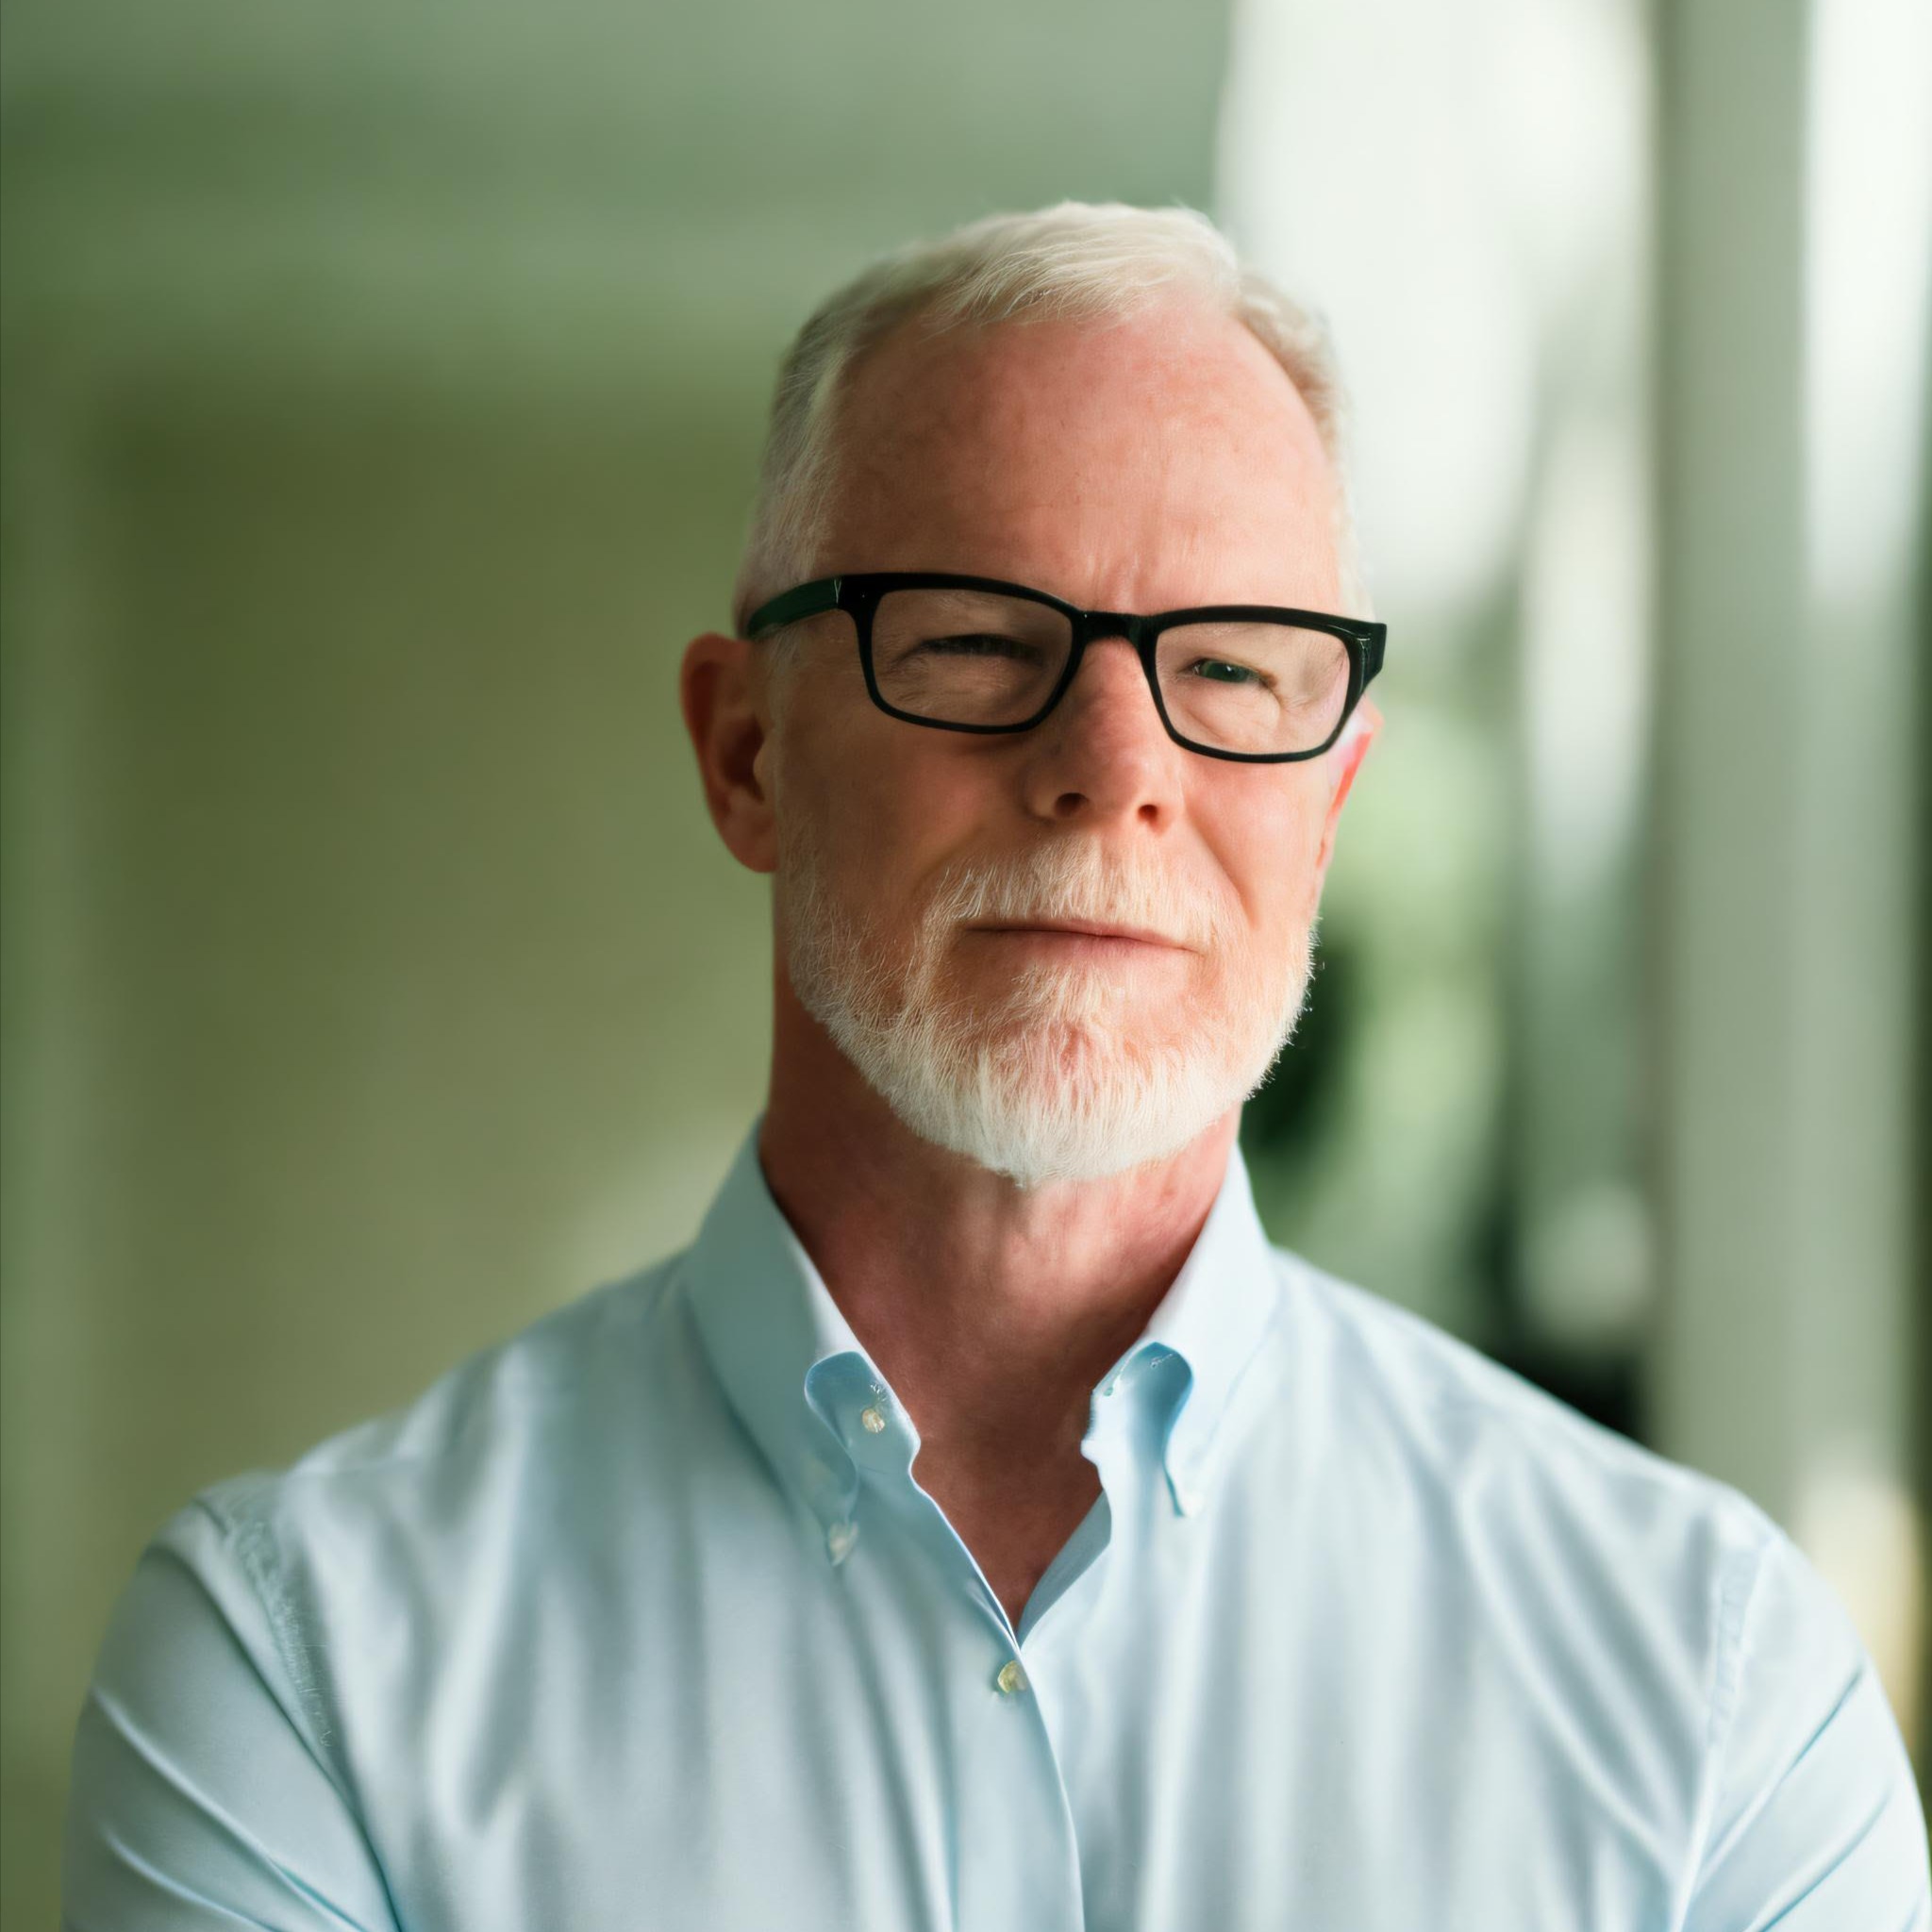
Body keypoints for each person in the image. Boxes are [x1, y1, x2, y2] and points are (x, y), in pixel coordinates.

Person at [63, 203, 1929, 1928]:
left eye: (1235, 672)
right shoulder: (296, 1673)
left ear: (1332, 803)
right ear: (743, 754)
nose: (1115, 763)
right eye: (972, 642)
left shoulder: (1711, 1693)